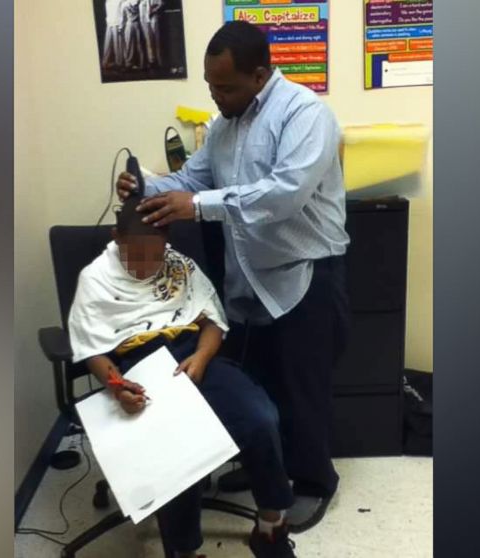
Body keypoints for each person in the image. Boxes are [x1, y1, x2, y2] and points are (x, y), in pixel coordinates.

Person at [116, 20, 350, 533]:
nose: (216, 96)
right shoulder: (224, 126)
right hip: (251, 275)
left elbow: (284, 193)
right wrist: (148, 183)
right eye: (210, 85)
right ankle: (266, 469)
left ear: (262, 74)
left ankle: (312, 482)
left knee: (300, 385)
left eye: (225, 86)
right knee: (260, 380)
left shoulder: (305, 115)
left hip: (304, 272)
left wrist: (195, 206)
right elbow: (192, 178)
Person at [67, 197, 298, 558]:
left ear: (167, 242)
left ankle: (270, 526)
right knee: (177, 448)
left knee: (260, 418)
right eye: (134, 255)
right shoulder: (95, 279)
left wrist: (203, 358)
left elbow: (212, 321)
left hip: (193, 354)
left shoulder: (180, 266)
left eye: (154, 256)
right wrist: (116, 386)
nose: (145, 267)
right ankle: (183, 551)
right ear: (116, 236)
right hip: (137, 364)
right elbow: (91, 347)